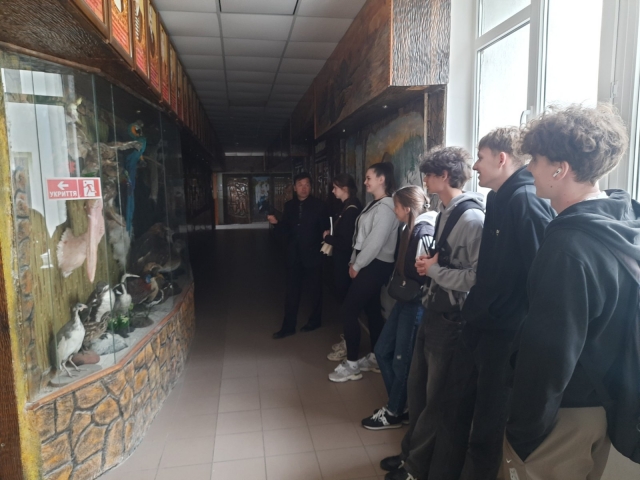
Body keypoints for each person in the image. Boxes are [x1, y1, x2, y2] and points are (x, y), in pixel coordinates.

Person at [503, 104, 638, 480]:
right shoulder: (623, 220)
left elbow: (550, 354)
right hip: (604, 404)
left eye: (535, 160)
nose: (528, 169)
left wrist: (523, 432)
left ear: (559, 169)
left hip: (564, 415)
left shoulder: (569, 246)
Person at [428, 128, 555, 480]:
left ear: (501, 159)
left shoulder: (527, 201)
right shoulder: (498, 198)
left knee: (487, 426)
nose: (474, 167)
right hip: (478, 324)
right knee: (454, 409)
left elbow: (540, 280)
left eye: (480, 158)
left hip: (504, 335)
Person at [381, 146, 485, 480]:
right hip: (433, 308)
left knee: (435, 398)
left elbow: (476, 278)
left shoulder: (472, 218)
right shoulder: (444, 211)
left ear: (444, 175)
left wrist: (434, 270)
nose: (424, 180)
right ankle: (410, 455)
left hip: (450, 318)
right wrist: (432, 266)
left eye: (428, 174)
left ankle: (416, 468)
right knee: (417, 389)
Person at [361, 185, 436, 430]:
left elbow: (427, 274)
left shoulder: (424, 231)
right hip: (405, 299)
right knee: (383, 350)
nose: (394, 211)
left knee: (402, 360)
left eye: (396, 206)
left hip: (416, 303)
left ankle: (395, 411)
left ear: (407, 208)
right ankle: (400, 403)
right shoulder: (408, 229)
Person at [328, 162, 399, 382]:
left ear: (382, 179)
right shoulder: (373, 204)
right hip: (367, 262)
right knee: (372, 310)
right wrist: (354, 261)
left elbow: (375, 243)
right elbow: (359, 239)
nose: (365, 181)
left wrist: (357, 265)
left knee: (349, 310)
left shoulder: (387, 207)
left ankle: (352, 365)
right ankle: (377, 357)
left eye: (369, 178)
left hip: (375, 264)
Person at [269, 172, 330, 339]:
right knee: (292, 292)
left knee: (315, 291)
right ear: (294, 188)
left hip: (313, 255)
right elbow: (286, 230)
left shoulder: (320, 206)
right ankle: (288, 326)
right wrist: (276, 224)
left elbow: (326, 231)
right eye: (300, 185)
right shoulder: (289, 206)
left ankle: (315, 321)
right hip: (294, 256)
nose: (304, 188)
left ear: (311, 187)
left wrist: (323, 252)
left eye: (307, 185)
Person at [323, 174, 363, 362]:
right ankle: (348, 339)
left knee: (347, 306)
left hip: (345, 262)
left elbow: (345, 243)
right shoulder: (348, 206)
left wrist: (328, 238)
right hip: (344, 262)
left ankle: (350, 344)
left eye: (335, 188)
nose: (333, 191)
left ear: (344, 188)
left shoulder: (351, 210)